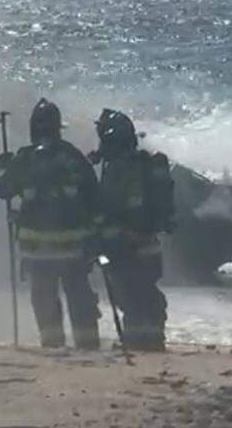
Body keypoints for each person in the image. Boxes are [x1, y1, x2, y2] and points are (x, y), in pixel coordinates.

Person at [0, 98, 101, 349]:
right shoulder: (73, 157)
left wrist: (1, 166)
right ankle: (88, 344)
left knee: (43, 298)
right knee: (80, 297)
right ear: (57, 127)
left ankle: (52, 344)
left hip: (37, 250)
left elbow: (3, 189)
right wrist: (95, 240)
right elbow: (94, 198)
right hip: (73, 250)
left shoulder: (24, 159)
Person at [91, 109, 174, 352]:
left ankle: (136, 341)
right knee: (145, 293)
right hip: (148, 243)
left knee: (129, 294)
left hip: (122, 245)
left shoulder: (119, 170)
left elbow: (109, 206)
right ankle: (152, 340)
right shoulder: (146, 164)